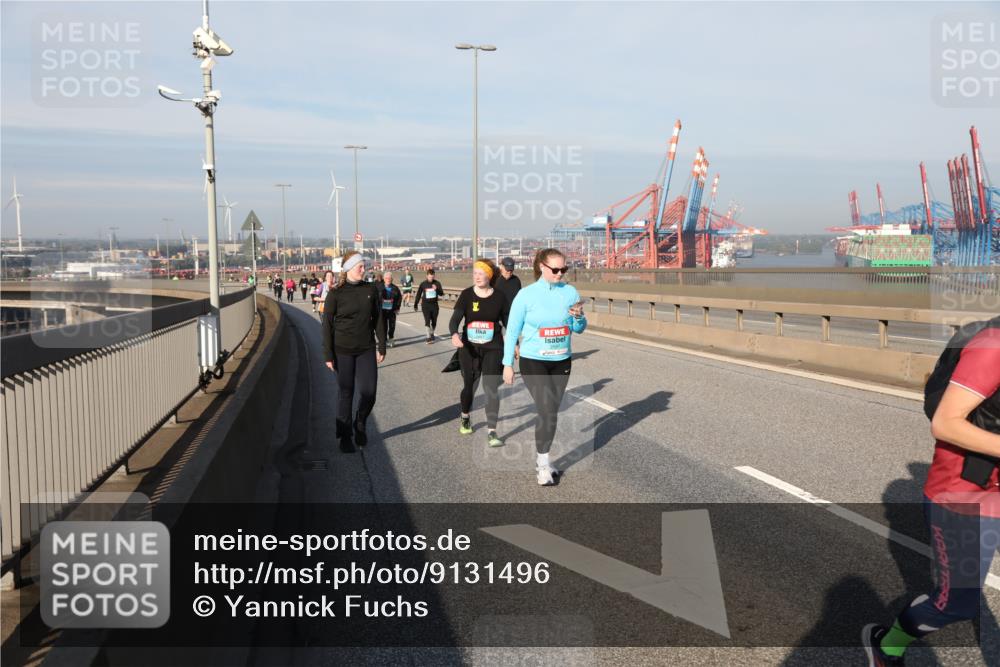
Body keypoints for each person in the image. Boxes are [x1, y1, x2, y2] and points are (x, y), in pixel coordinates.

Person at [862, 317, 1000, 667]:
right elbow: (946, 423)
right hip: (964, 495)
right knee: (955, 604)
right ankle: (888, 645)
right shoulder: (993, 347)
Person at [502, 248, 587, 486]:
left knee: (551, 413)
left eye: (564, 269)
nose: (560, 274)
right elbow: (512, 332)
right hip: (533, 360)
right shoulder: (526, 295)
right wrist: (507, 363)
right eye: (555, 269)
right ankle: (542, 465)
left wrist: (578, 317)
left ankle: (545, 462)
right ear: (542, 267)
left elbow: (579, 328)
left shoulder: (570, 292)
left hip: (562, 361)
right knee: (547, 409)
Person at [322, 252, 387, 453]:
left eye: (364, 266)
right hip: (342, 350)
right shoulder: (336, 293)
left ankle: (360, 421)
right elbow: (327, 325)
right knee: (346, 392)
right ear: (349, 268)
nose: (363, 269)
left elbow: (378, 318)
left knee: (369, 392)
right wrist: (328, 354)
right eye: (360, 266)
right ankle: (345, 436)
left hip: (366, 348)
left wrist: (382, 345)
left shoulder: (371, 289)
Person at [449, 259, 508, 447]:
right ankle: (465, 416)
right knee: (469, 385)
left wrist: (513, 343)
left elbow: (508, 322)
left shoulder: (499, 297)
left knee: (491, 388)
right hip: (470, 348)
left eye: (481, 273)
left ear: (489, 276)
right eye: (475, 273)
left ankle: (492, 431)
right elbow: (455, 319)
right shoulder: (467, 295)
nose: (477, 277)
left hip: (493, 347)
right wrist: (454, 334)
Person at [414, 268, 444, 344]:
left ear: (434, 276)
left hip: (434, 305)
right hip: (425, 305)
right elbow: (418, 294)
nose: (431, 278)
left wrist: (436, 289)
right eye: (430, 277)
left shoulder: (437, 283)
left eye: (432, 277)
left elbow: (441, 293)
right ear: (427, 276)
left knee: (434, 321)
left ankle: (432, 333)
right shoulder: (423, 284)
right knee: (427, 320)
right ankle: (428, 337)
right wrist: (415, 304)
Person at [380, 271, 403, 347]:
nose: (388, 280)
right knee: (384, 325)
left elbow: (399, 298)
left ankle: (391, 338)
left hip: (392, 310)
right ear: (384, 279)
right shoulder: (379, 287)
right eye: (386, 278)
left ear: (392, 279)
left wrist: (397, 307)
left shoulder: (395, 288)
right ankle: (384, 339)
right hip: (382, 310)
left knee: (392, 325)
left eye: (390, 278)